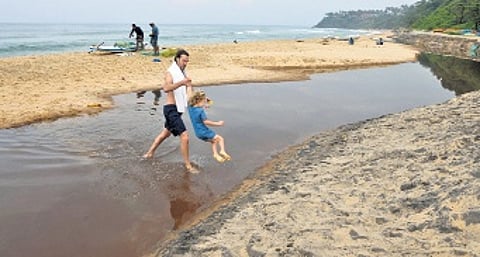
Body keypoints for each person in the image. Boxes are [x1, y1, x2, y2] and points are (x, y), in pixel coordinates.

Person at [143, 49, 197, 172]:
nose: (185, 63)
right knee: (185, 136)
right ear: (177, 59)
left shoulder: (183, 73)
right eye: (184, 61)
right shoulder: (170, 72)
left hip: (177, 110)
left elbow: (189, 90)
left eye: (187, 61)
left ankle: (149, 153)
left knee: (165, 134)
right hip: (171, 109)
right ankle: (188, 165)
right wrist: (182, 82)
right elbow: (166, 88)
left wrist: (200, 98)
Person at [188, 90, 231, 163]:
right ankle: (222, 151)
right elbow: (206, 122)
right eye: (203, 102)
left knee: (214, 141)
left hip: (198, 133)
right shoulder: (201, 111)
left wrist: (205, 101)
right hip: (204, 131)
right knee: (220, 139)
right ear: (198, 100)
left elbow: (194, 101)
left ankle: (215, 154)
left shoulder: (190, 107)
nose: (204, 103)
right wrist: (218, 123)